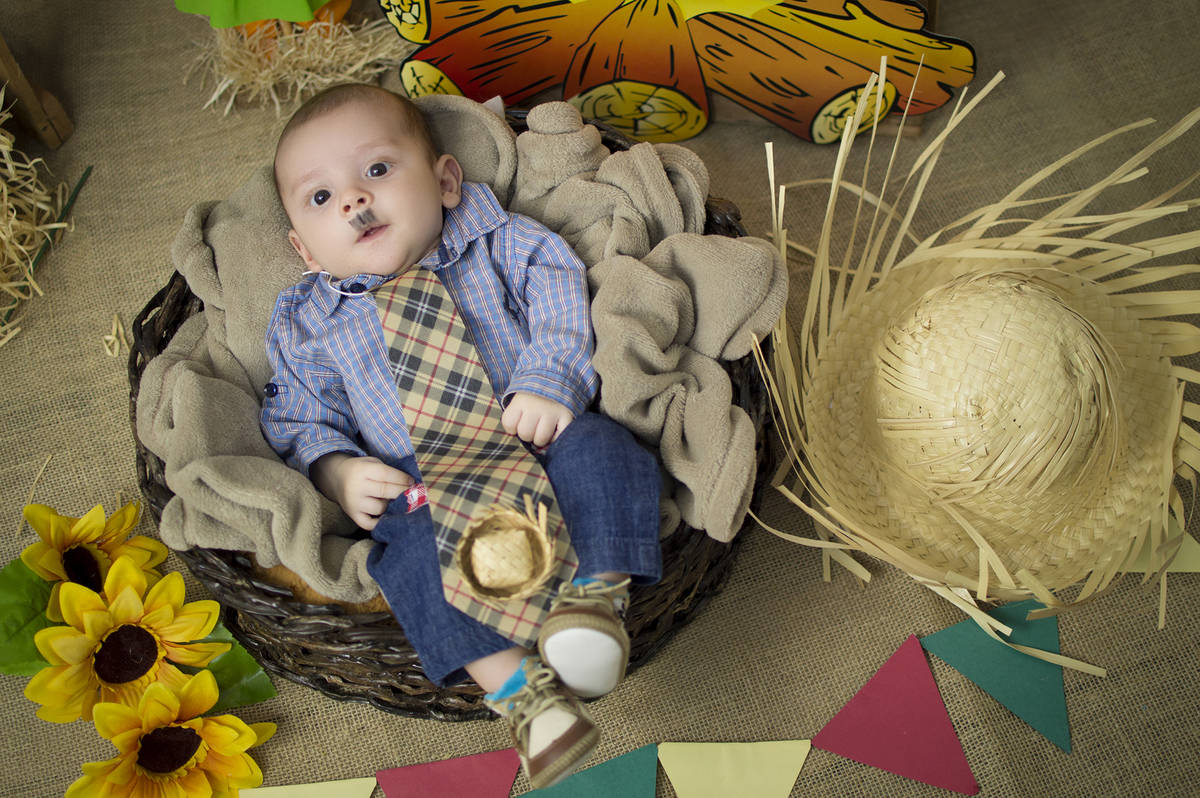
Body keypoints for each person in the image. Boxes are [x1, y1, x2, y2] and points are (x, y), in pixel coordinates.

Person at [262, 83, 663, 789]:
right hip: (424, 486)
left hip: (532, 435)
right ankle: (527, 699)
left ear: (445, 181)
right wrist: (336, 471)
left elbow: (561, 295)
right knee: (405, 559)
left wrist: (548, 381)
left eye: (377, 171)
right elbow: (298, 414)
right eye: (321, 198)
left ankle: (595, 604)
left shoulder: (496, 240)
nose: (354, 201)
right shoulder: (307, 323)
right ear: (304, 247)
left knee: (605, 451)